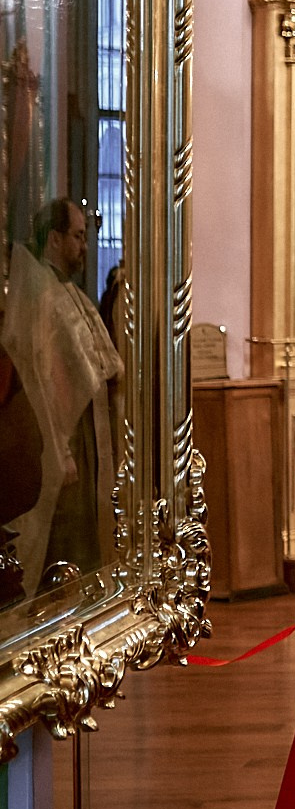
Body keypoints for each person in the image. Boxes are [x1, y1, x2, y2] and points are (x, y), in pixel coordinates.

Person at [1, 199, 120, 597]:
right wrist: (61, 452)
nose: (85, 246)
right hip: (63, 441)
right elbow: (42, 380)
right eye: (79, 236)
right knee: (63, 537)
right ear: (54, 239)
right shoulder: (44, 298)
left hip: (85, 436)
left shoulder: (67, 291)